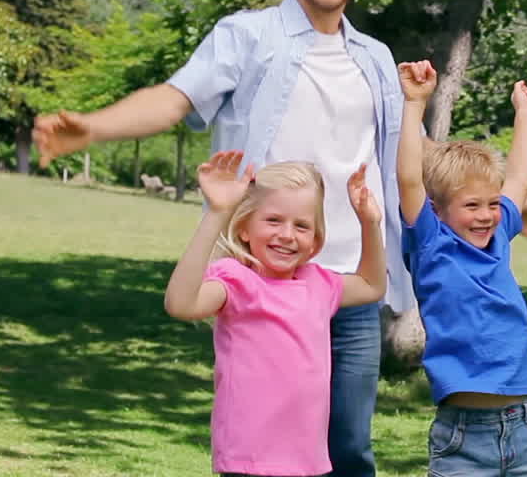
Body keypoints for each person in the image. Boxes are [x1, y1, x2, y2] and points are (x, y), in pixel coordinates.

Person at [33, 0, 404, 476]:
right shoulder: (247, 36)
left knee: (350, 452)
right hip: (264, 284)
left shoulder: (377, 60)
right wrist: (95, 127)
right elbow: (175, 97)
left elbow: (407, 152)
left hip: (347, 281)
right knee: (262, 450)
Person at [165, 150, 387, 477]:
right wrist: (217, 213)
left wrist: (370, 223)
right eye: (273, 220)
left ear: (315, 241)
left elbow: (371, 285)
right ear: (244, 228)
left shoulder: (319, 283)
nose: (286, 234)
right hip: (249, 460)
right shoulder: (236, 281)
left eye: (301, 226)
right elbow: (181, 304)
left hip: (307, 462)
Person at [396, 59, 527, 477]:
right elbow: (410, 180)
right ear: (438, 210)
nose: (486, 215)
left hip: (523, 426)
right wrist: (414, 104)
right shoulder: (432, 243)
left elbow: (519, 178)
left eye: (490, 203)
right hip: (463, 434)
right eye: (471, 206)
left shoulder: (498, 236)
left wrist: (526, 115)